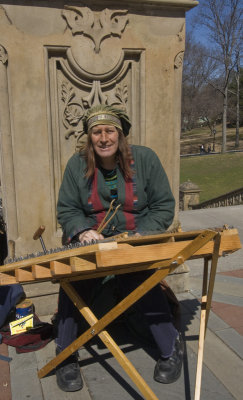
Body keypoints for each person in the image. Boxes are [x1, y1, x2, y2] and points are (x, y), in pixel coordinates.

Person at [55, 104, 184, 392]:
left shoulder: (146, 159)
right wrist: (84, 231)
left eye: (109, 131)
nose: (103, 138)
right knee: (73, 281)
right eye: (97, 132)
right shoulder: (77, 165)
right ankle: (65, 354)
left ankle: (170, 346)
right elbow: (67, 209)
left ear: (120, 134)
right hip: (93, 243)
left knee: (141, 279)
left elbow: (163, 206)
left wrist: (139, 235)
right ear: (90, 138)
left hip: (135, 241)